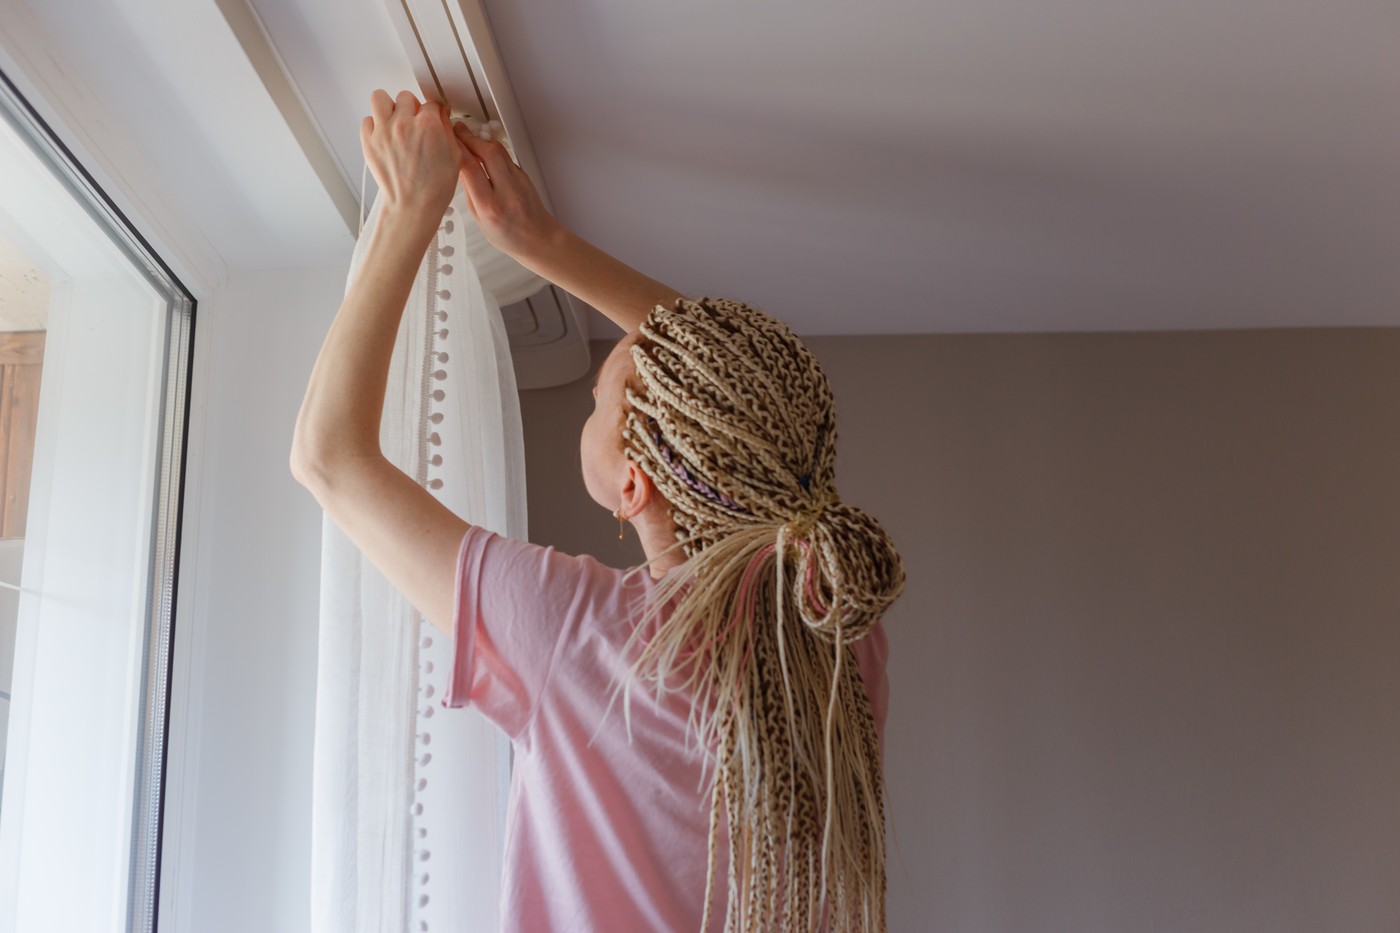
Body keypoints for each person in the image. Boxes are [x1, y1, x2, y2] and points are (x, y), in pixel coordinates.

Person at [291, 90, 905, 932]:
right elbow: (733, 391)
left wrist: (407, 209)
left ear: (633, 485)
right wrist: (543, 245)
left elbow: (328, 458)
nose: (592, 398)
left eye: (598, 400)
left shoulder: (580, 633)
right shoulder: (835, 635)